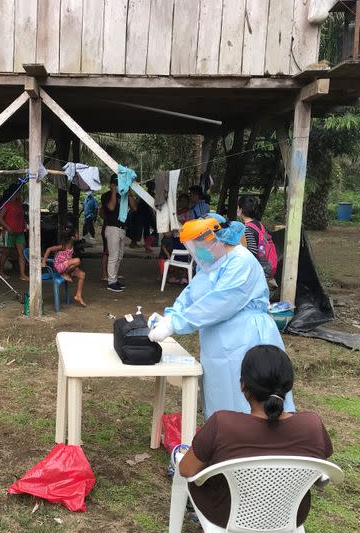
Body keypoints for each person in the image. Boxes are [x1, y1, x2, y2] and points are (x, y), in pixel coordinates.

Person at [178, 345, 332, 533]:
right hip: (286, 513)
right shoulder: (312, 426)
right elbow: (321, 473)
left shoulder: (223, 424)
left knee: (202, 473)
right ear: (288, 386)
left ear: (243, 386)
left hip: (225, 512)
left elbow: (187, 470)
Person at [149, 214, 296, 418]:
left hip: (246, 336)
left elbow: (219, 303)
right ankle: (224, 440)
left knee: (249, 396)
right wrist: (170, 316)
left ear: (213, 238)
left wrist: (176, 323)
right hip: (218, 341)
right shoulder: (211, 264)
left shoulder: (240, 261)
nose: (197, 249)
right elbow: (192, 295)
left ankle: (255, 443)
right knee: (220, 396)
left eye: (198, 243)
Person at [102, 174, 136, 292]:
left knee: (119, 257)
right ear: (112, 184)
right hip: (112, 229)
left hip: (122, 229)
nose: (118, 186)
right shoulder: (106, 196)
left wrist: (129, 192)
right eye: (116, 184)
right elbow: (111, 207)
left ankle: (114, 279)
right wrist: (113, 191)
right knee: (113, 257)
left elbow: (134, 208)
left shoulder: (124, 195)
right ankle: (111, 282)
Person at [42, 227, 87, 306]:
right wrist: (43, 261)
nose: (78, 235)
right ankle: (64, 274)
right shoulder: (63, 246)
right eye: (76, 234)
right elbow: (49, 249)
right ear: (72, 237)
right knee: (77, 260)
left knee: (82, 274)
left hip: (66, 266)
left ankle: (78, 295)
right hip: (60, 266)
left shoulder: (72, 244)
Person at [237, 195, 278, 282]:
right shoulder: (259, 224)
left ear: (241, 210)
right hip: (266, 266)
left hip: (258, 272)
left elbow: (249, 254)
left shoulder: (246, 229)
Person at [0, 193, 29, 281]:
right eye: (17, 193)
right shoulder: (7, 204)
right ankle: (0, 271)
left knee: (22, 254)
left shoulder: (20, 205)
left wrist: (25, 225)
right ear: (13, 194)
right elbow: (0, 218)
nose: (18, 196)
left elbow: (22, 217)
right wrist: (8, 228)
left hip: (20, 233)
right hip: (9, 232)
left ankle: (22, 274)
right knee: (6, 252)